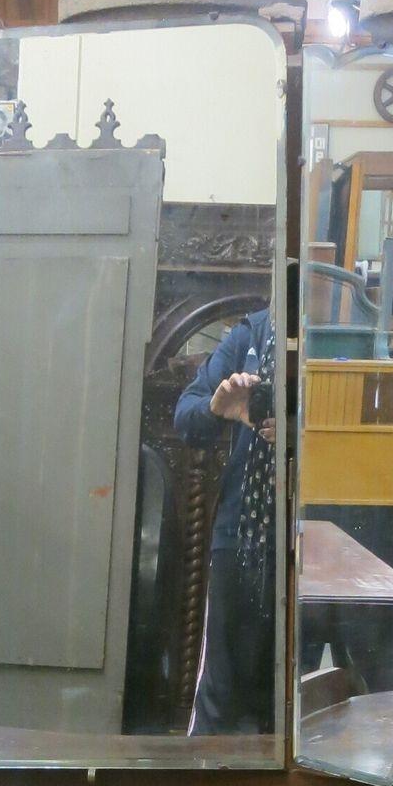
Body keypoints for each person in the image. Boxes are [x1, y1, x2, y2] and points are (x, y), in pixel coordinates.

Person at [173, 307, 278, 736]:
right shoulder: (251, 334)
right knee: (219, 691)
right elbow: (186, 416)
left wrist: (299, 432)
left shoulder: (347, 330)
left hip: (317, 540)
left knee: (302, 694)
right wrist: (218, 408)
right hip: (242, 532)